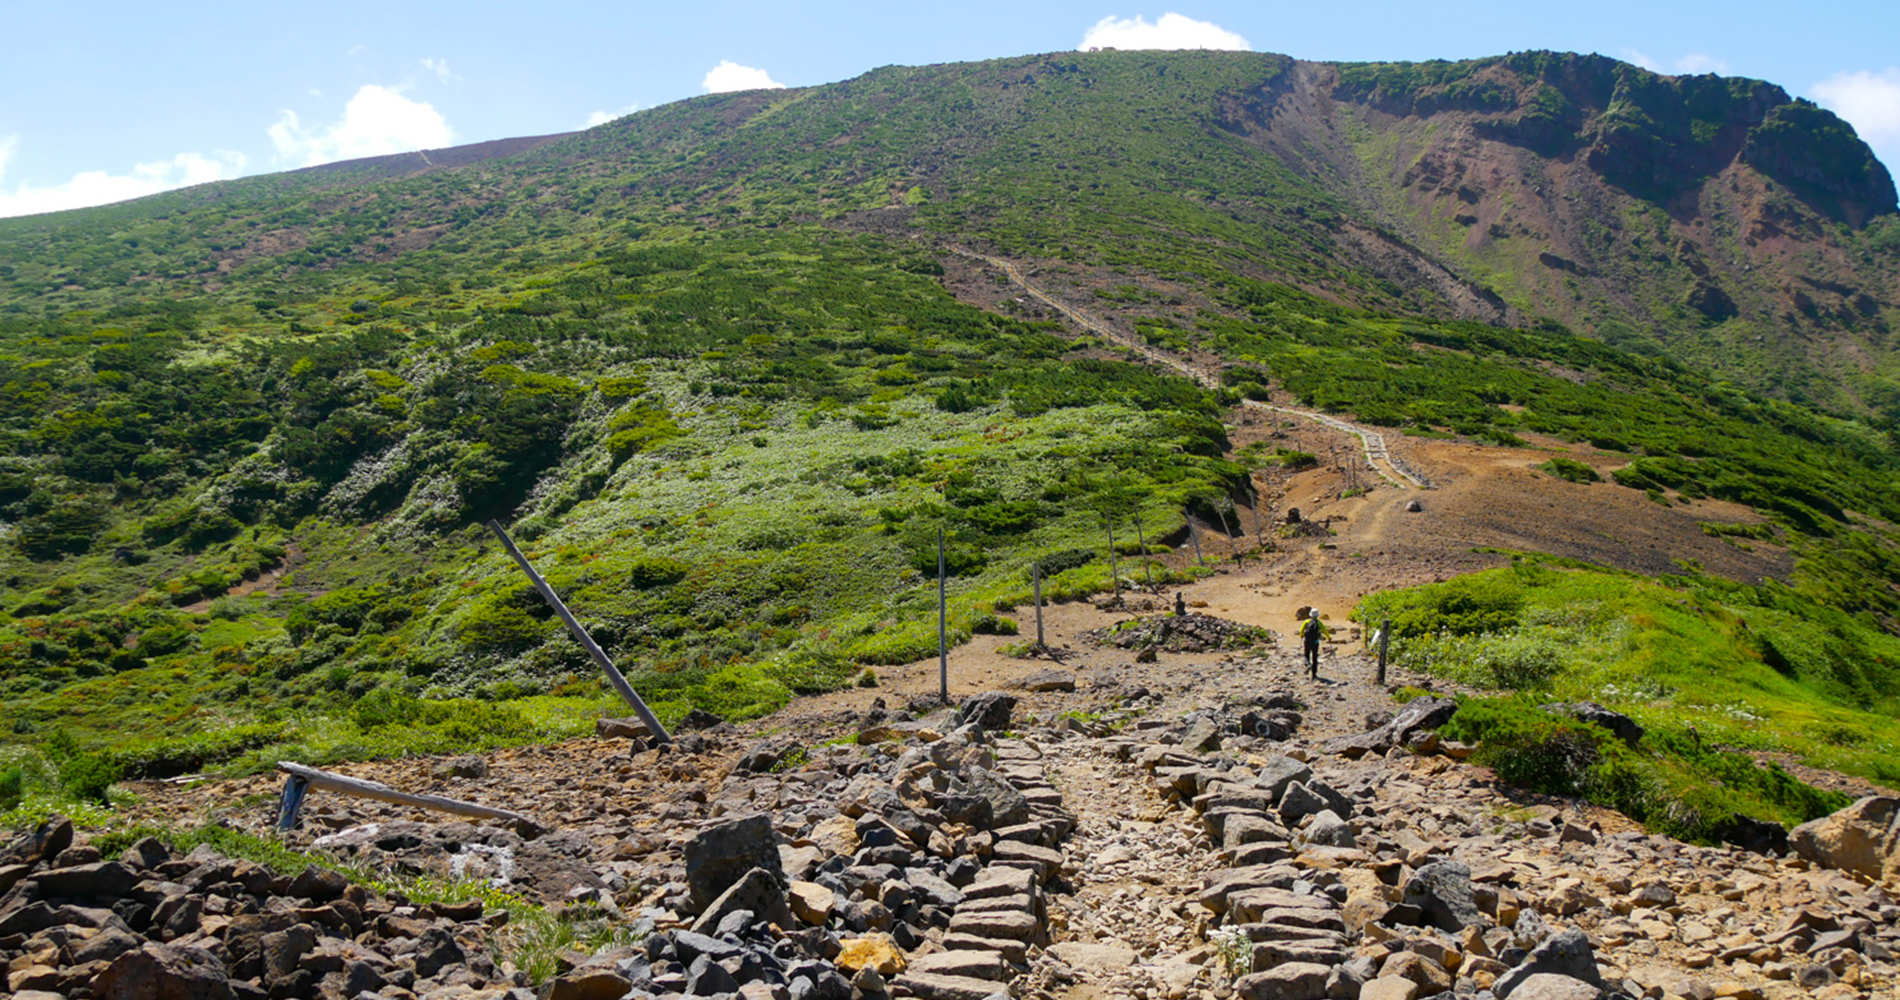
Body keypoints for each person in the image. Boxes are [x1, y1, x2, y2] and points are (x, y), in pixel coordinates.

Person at [1300, 609, 1324, 678]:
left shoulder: (1306, 622)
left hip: (1307, 641)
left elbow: (1301, 630)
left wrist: (1301, 635)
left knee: (1306, 654)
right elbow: (1324, 630)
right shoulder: (1319, 623)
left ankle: (1307, 665)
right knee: (1314, 657)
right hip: (1315, 642)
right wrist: (1329, 637)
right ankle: (1314, 674)